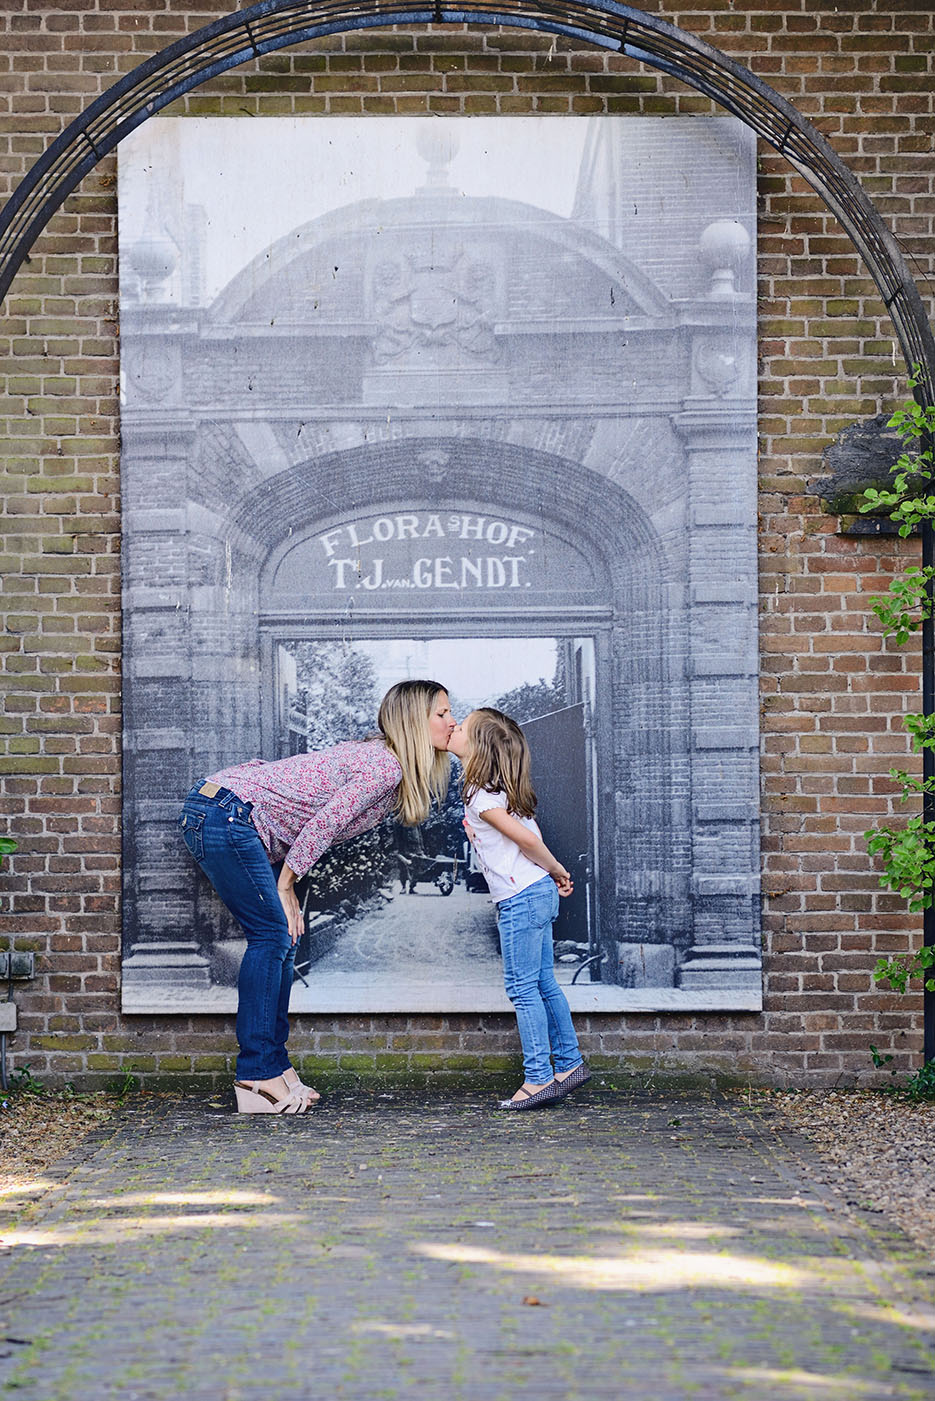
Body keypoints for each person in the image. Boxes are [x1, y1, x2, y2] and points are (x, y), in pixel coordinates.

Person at [178, 680, 455, 1114]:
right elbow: (322, 826)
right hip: (227, 813)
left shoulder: (386, 762)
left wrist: (287, 884)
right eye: (442, 714)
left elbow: (305, 814)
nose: (451, 721)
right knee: (272, 937)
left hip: (227, 810)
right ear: (415, 721)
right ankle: (255, 1077)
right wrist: (285, 886)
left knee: (283, 940)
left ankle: (275, 1067)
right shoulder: (386, 766)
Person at [447, 707, 590, 1111]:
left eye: (463, 726)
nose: (454, 726)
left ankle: (539, 1079)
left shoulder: (481, 795)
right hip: (535, 893)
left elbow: (525, 840)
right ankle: (568, 1064)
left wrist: (558, 868)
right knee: (544, 982)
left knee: (523, 988)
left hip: (521, 897)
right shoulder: (498, 789)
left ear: (479, 747)